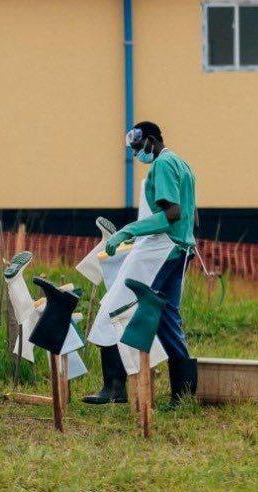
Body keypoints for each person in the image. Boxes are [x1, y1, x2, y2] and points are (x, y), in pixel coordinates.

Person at [83, 121, 199, 405]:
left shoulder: (161, 165)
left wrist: (128, 231)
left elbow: (171, 213)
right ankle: (182, 396)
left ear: (150, 140)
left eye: (138, 148)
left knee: (112, 309)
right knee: (168, 318)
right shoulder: (183, 165)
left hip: (159, 250)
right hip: (182, 250)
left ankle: (114, 388)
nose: (137, 154)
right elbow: (191, 217)